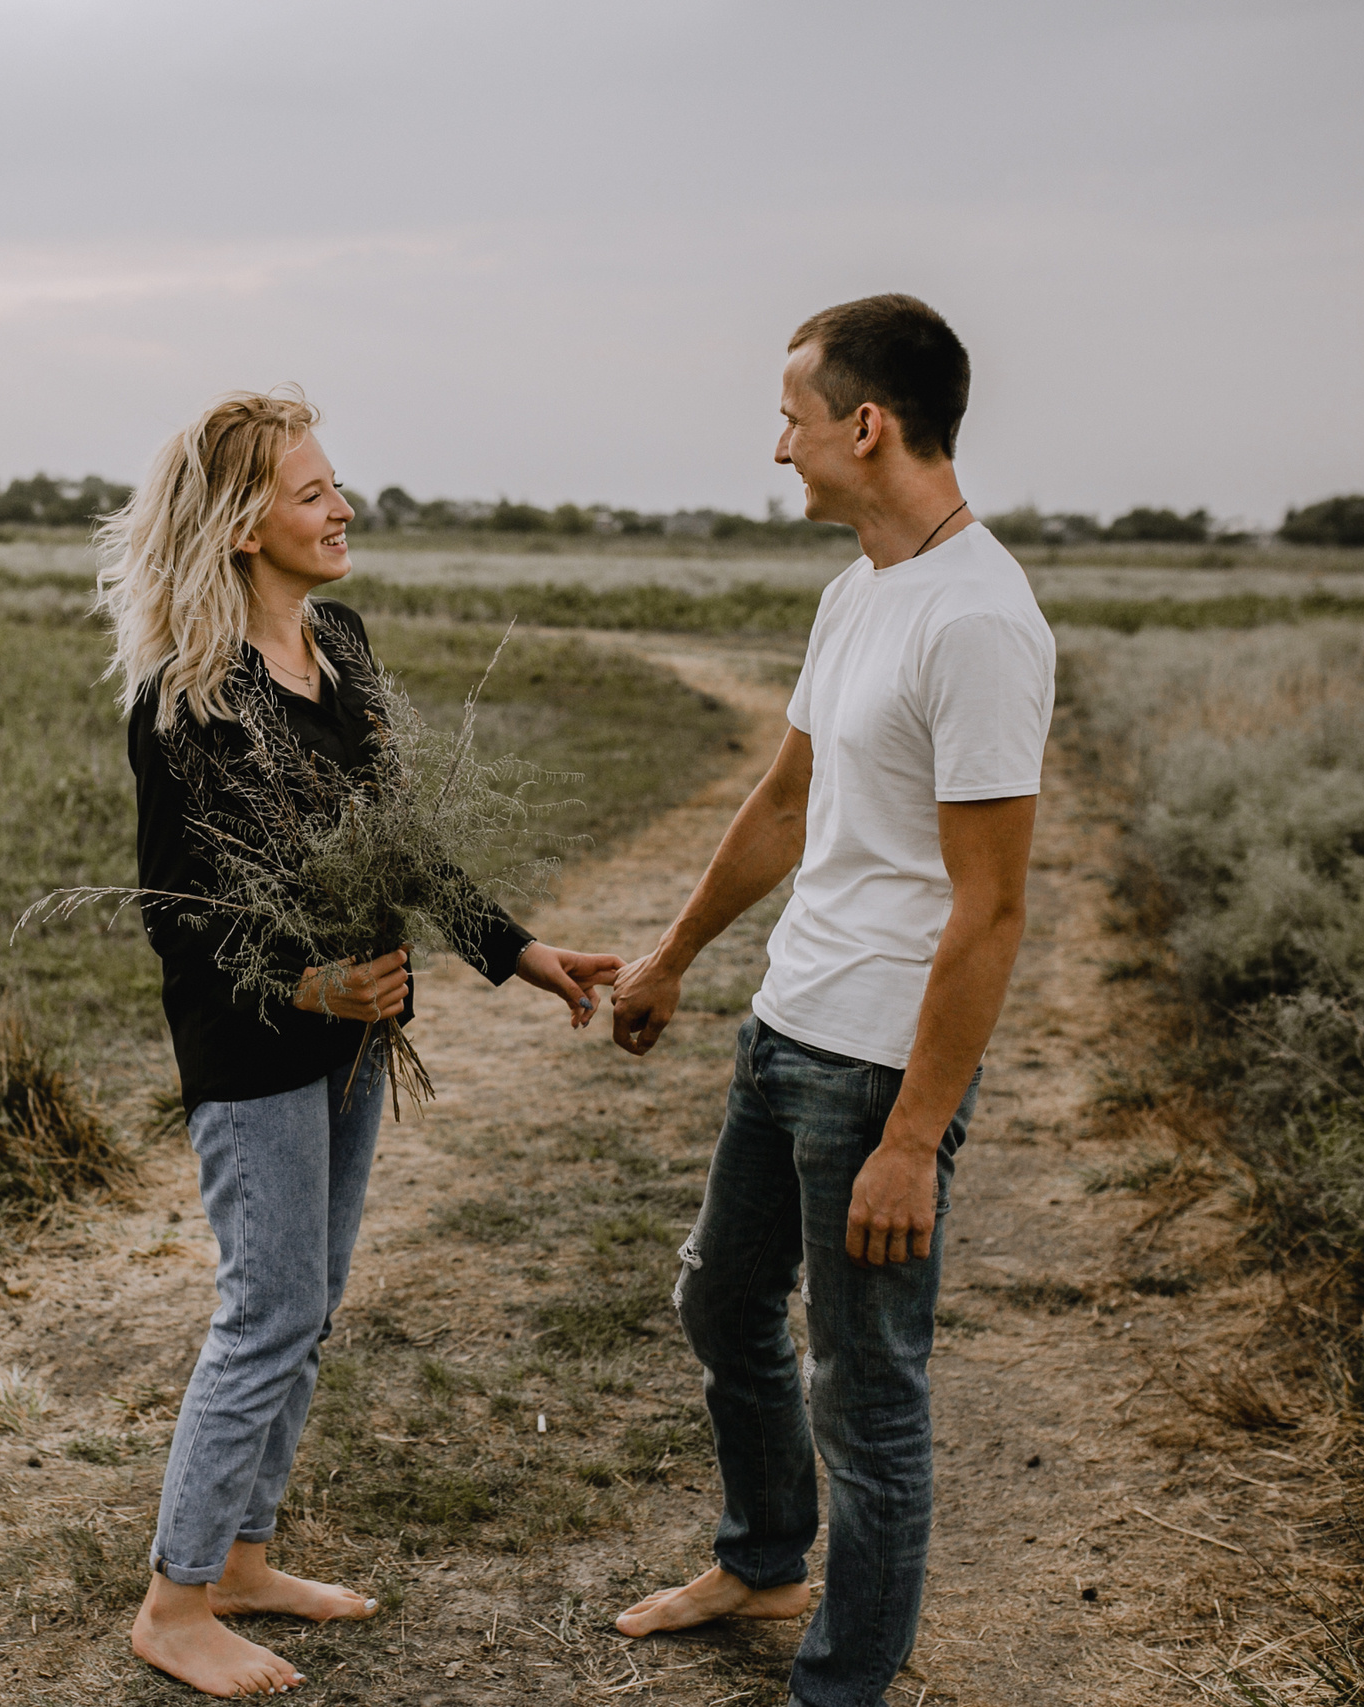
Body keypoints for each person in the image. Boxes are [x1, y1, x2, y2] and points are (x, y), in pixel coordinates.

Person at [100, 387, 623, 1698]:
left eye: (338, 486)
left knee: (309, 1307)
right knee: (266, 1310)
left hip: (355, 1041)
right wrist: (306, 991)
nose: (343, 509)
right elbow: (177, 918)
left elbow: (403, 841)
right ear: (238, 527)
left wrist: (515, 951)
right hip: (255, 1054)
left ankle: (247, 1557)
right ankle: (174, 1602)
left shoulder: (340, 645)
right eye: (313, 492)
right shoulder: (186, 700)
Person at [604, 296, 1054, 1707]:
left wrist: (916, 1136)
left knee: (866, 1394)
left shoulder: (981, 621)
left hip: (875, 1074)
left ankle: (841, 1684)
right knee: (723, 1300)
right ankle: (763, 1558)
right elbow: (791, 798)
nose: (779, 447)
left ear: (866, 425)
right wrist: (675, 956)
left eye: (793, 419)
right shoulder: (859, 589)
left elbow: (991, 909)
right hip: (784, 1028)